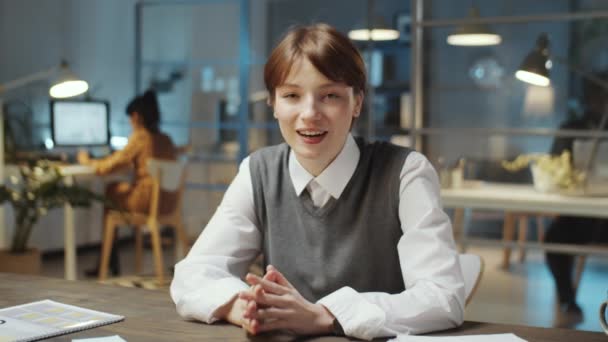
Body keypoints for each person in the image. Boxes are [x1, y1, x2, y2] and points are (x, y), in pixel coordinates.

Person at [170, 23, 464, 340]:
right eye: (292, 95)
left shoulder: (405, 172)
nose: (309, 114)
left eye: (330, 96)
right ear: (273, 104)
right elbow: (193, 275)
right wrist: (246, 308)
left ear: (357, 103)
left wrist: (325, 316)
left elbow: (442, 297)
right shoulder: (258, 171)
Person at [78, 90, 177, 277]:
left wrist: (86, 161)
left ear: (136, 116)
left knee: (111, 190)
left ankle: (107, 259)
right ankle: (110, 261)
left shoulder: (141, 137)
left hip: (146, 201)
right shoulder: (165, 139)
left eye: (130, 119)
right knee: (116, 189)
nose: (131, 123)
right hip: (167, 203)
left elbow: (110, 166)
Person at [545, 70, 608, 327]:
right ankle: (568, 300)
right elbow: (553, 165)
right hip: (580, 215)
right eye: (597, 96)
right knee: (554, 239)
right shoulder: (571, 129)